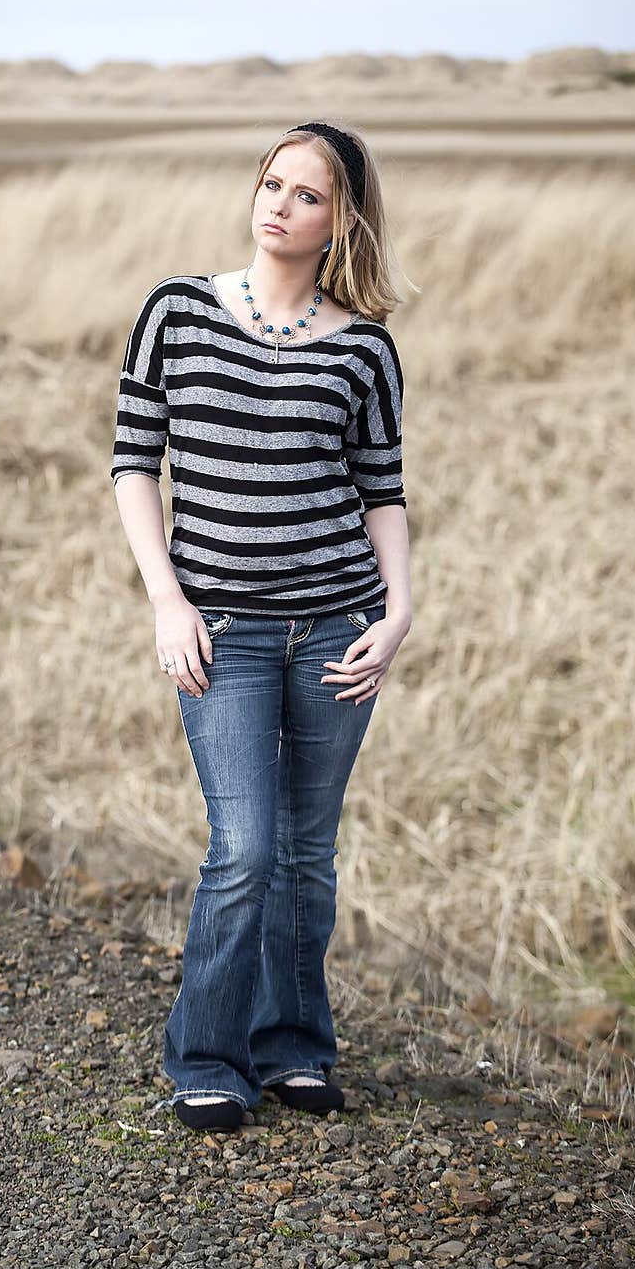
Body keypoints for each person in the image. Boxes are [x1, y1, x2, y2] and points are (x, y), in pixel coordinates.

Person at [110, 120, 414, 1133]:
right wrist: (166, 597)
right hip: (222, 632)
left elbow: (380, 491)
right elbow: (132, 464)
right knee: (242, 847)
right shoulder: (179, 312)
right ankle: (207, 1056)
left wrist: (398, 609)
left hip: (335, 627)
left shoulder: (365, 348)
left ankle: (295, 1050)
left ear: (341, 221)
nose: (278, 203)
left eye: (306, 194)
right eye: (270, 183)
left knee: (306, 855)